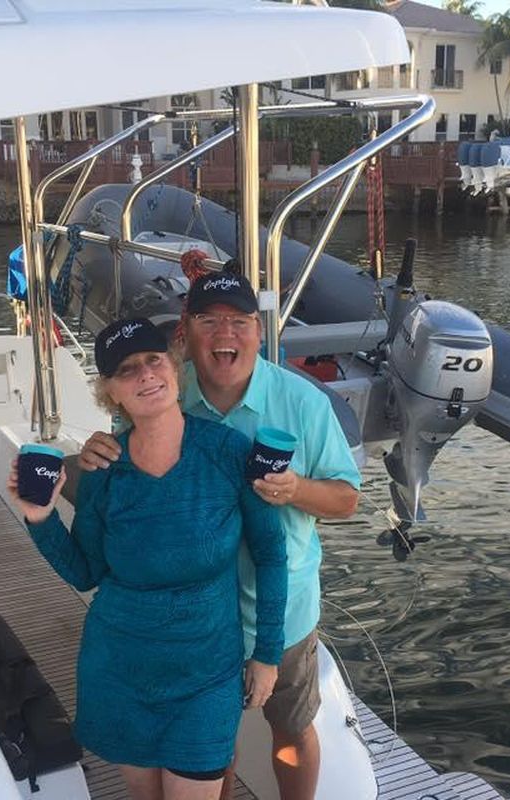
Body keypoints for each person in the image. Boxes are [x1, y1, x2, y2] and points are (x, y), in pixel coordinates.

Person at [79, 274, 361, 800]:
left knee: (292, 729)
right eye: (209, 320)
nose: (224, 332)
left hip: (283, 610)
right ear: (185, 333)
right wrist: (95, 451)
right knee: (210, 745)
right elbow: (126, 468)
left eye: (239, 320)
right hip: (197, 620)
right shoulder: (164, 387)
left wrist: (295, 488)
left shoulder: (303, 402)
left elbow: (347, 500)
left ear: (258, 331)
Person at [10, 316, 287, 800]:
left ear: (175, 370)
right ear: (110, 393)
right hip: (120, 670)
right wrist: (40, 516)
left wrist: (267, 655)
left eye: (154, 361)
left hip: (207, 673)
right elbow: (83, 571)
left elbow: (270, 554)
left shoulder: (227, 451)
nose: (145, 375)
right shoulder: (102, 469)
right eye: (127, 370)